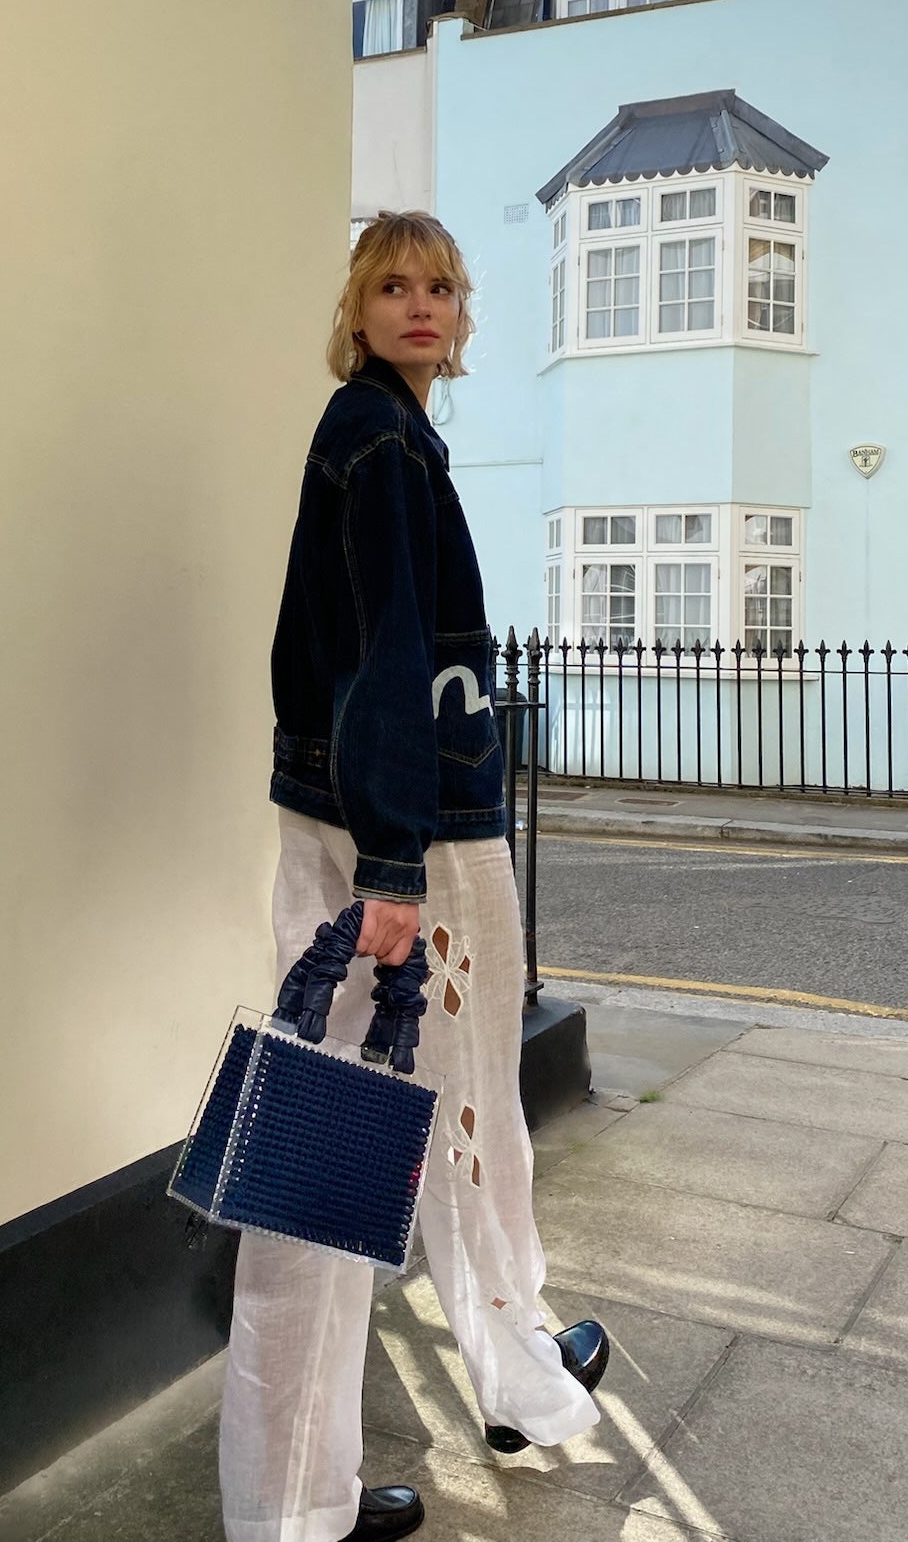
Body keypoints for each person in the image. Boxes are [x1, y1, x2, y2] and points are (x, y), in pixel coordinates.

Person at [218, 211, 610, 1542]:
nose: (421, 304)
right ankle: (292, 1501)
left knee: (437, 1117)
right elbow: (386, 661)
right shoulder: (379, 441)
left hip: (378, 827)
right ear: (358, 302)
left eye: (441, 284)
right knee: (359, 1140)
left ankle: (512, 1369)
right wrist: (390, 867)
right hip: (408, 845)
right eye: (393, 284)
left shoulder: (384, 433)